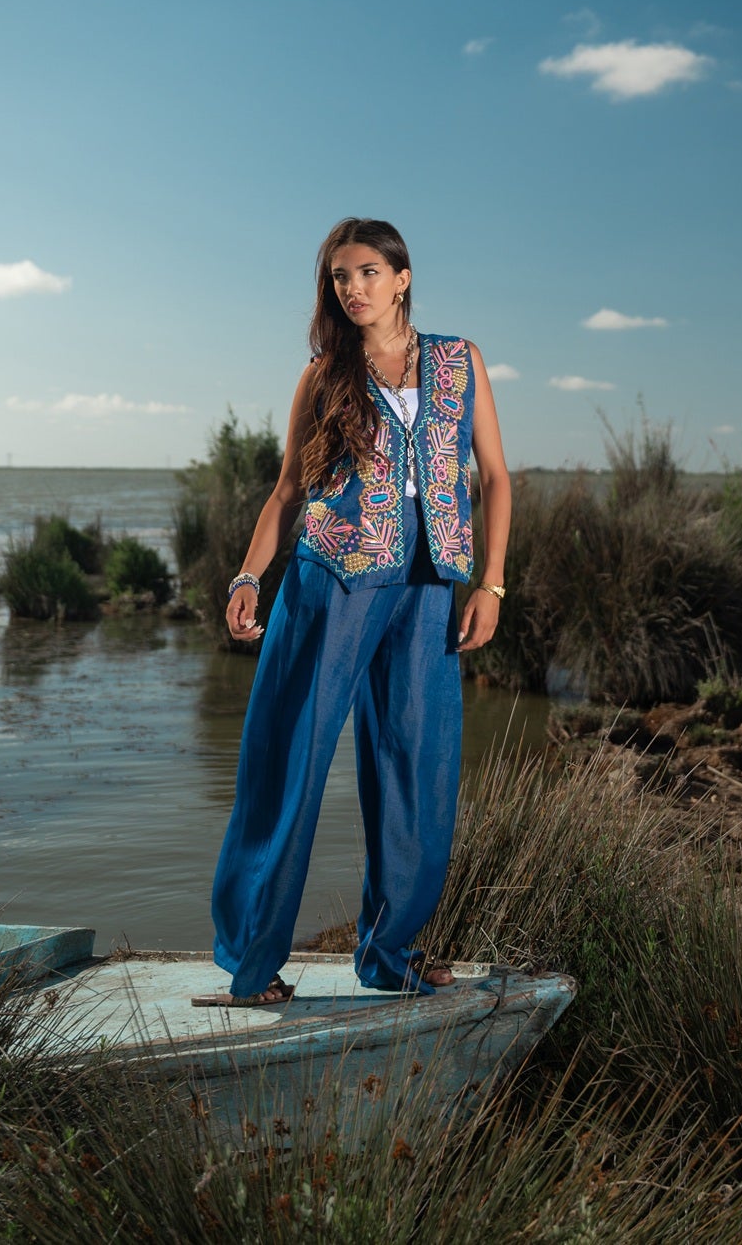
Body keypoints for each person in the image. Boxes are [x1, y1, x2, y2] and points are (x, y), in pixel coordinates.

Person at [208, 216, 511, 1006]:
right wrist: (248, 575)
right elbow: (286, 491)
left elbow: (495, 480)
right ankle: (249, 956)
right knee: (290, 759)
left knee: (419, 765)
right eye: (340, 277)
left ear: (402, 278)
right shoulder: (322, 375)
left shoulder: (458, 360)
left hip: (429, 584)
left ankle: (388, 951)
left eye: (369, 272)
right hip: (330, 580)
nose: (353, 288)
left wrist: (492, 585)